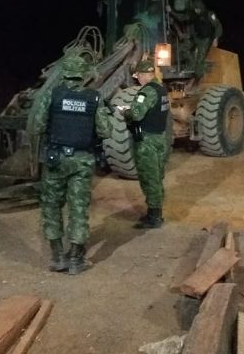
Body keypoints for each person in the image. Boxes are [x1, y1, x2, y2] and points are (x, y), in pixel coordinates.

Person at [31, 54, 112, 275]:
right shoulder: (94, 98)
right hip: (81, 162)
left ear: (65, 72)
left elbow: (36, 126)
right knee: (78, 210)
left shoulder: (51, 95)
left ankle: (57, 257)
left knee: (51, 207)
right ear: (83, 73)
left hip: (56, 160)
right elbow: (106, 131)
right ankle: (76, 260)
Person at [121, 59, 171, 228]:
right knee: (157, 176)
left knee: (149, 178)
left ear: (143, 75)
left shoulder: (146, 92)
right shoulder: (162, 89)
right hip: (159, 138)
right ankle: (154, 212)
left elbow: (136, 114)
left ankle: (155, 217)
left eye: (138, 76)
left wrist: (124, 111)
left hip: (147, 141)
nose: (138, 80)